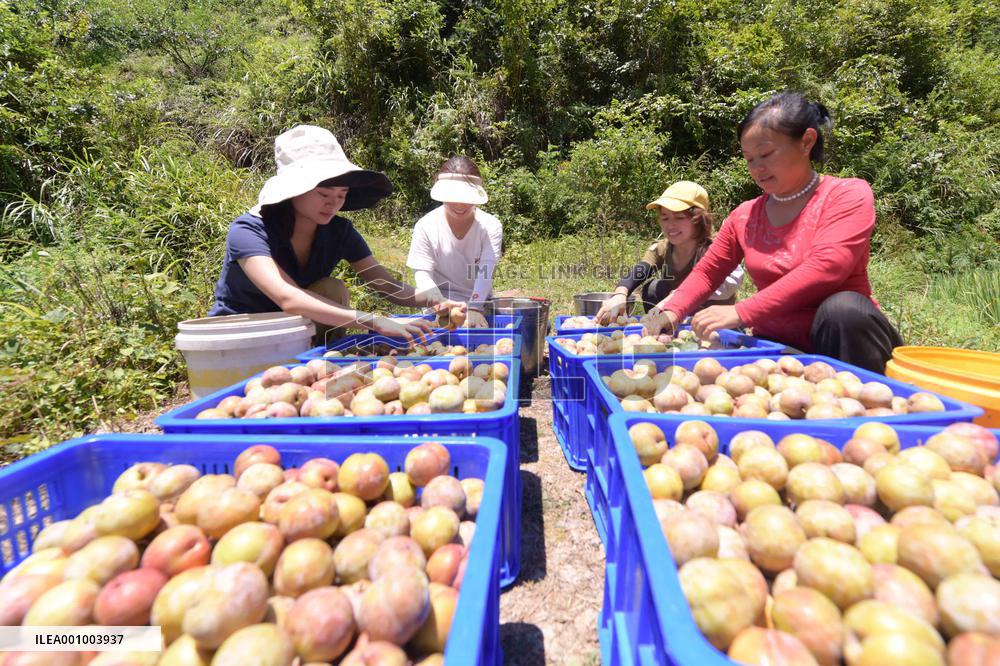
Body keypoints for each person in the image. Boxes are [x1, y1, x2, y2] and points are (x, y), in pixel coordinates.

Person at [642, 92, 904, 373]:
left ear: (806, 142)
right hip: (775, 348)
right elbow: (708, 272)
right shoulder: (745, 215)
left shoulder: (846, 195)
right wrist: (670, 310)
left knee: (842, 309)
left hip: (845, 346)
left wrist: (741, 311)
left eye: (766, 154)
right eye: (749, 159)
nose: (757, 168)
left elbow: (827, 267)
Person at [208, 125, 464, 342]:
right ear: (295, 190)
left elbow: (385, 285)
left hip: (297, 331)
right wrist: (372, 321)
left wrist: (435, 300)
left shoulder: (339, 232)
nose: (333, 204)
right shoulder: (249, 230)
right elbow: (288, 297)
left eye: (341, 195)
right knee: (330, 290)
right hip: (242, 334)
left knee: (330, 287)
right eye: (323, 195)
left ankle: (319, 360)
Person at [594, 181, 744, 325]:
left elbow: (727, 285)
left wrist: (676, 298)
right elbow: (640, 270)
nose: (670, 225)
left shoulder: (714, 250)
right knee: (652, 288)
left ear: (698, 220)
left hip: (713, 317)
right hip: (676, 312)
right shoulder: (663, 248)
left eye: (679, 218)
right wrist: (620, 294)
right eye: (665, 218)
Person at [406, 157, 503, 329]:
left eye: (466, 196)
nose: (460, 204)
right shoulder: (426, 226)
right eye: (452, 196)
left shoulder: (490, 226)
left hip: (478, 304)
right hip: (439, 307)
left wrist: (475, 307)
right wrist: (440, 304)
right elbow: (422, 274)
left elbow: (486, 271)